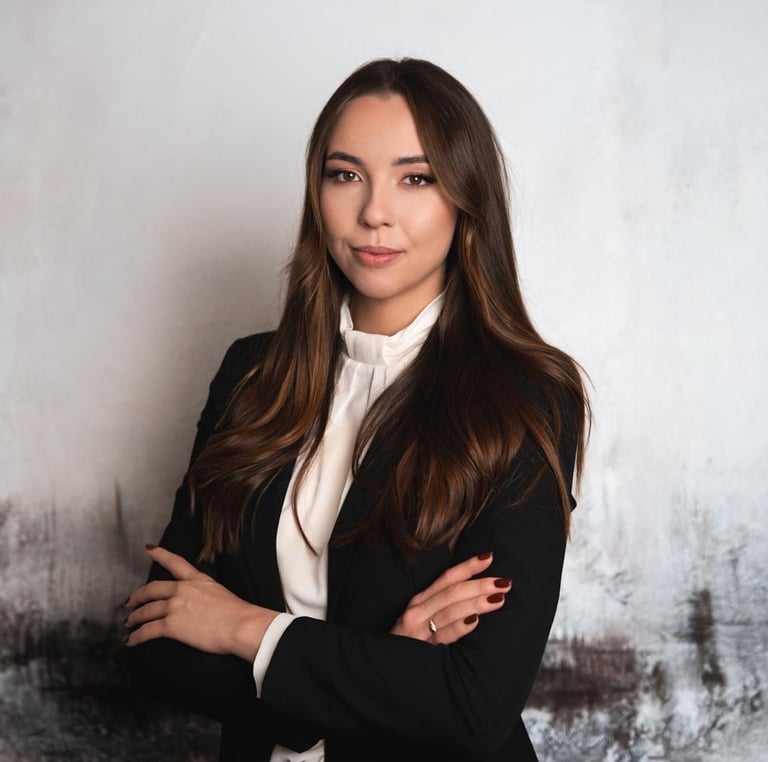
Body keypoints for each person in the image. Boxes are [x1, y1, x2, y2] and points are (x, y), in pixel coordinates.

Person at [124, 57, 589, 761]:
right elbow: (155, 643)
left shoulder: (524, 397)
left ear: (466, 198)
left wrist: (244, 629)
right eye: (345, 174)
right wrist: (381, 665)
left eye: (415, 178)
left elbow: (474, 705)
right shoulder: (252, 375)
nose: (374, 211)